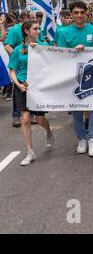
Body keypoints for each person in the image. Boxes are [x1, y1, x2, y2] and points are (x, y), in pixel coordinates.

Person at [58, 1, 93, 157]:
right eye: (75, 12)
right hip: (73, 76)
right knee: (76, 109)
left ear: (86, 13)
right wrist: (72, 51)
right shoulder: (63, 32)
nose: (79, 15)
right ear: (71, 14)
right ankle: (81, 138)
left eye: (81, 12)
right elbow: (60, 55)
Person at [8, 20, 54, 166]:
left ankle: (48, 131)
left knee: (40, 119)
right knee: (26, 118)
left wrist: (40, 49)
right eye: (35, 29)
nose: (38, 31)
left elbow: (55, 61)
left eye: (39, 28)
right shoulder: (17, 50)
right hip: (23, 86)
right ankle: (30, 152)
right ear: (27, 31)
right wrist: (18, 85)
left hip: (38, 87)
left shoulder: (44, 46)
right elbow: (13, 70)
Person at [4, 11, 32, 127]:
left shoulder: (35, 31)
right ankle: (16, 115)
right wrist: (18, 58)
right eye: (31, 18)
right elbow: (7, 45)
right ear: (24, 19)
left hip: (33, 69)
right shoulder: (15, 30)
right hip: (20, 69)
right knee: (19, 90)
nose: (35, 20)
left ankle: (33, 114)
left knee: (31, 91)